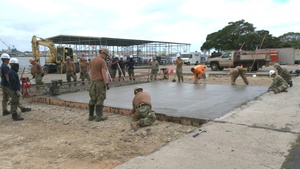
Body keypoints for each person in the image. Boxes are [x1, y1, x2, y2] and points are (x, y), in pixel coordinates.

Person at [88, 48, 110, 121]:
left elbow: (90, 72)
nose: (106, 56)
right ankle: (99, 116)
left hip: (93, 82)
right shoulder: (102, 61)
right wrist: (107, 83)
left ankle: (91, 116)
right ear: (103, 53)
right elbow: (104, 72)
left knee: (92, 98)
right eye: (106, 55)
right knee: (100, 98)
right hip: (99, 83)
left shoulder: (92, 60)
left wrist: (93, 79)